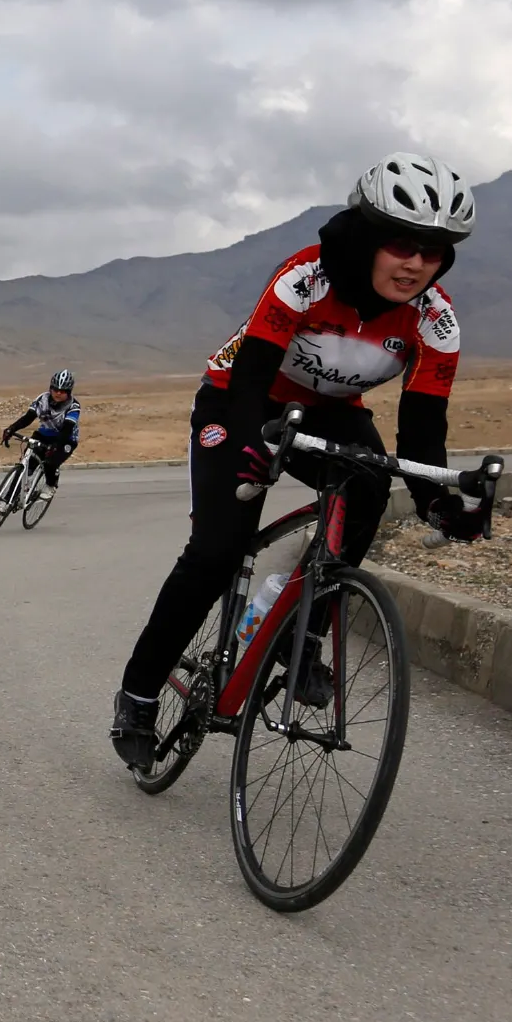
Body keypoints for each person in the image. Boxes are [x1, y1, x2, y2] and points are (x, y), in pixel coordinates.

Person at [109, 154, 483, 771]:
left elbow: (421, 431)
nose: (416, 263)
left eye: (435, 251)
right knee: (217, 551)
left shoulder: (436, 321)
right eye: (401, 244)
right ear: (366, 235)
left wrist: (437, 503)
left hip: (331, 409)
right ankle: (139, 693)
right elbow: (253, 374)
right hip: (244, 396)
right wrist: (255, 448)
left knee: (369, 488)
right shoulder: (304, 278)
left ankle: (301, 637)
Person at [2, 369, 81, 493]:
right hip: (44, 434)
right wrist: (11, 429)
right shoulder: (42, 399)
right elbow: (28, 418)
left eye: (63, 391)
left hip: (66, 439)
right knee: (26, 465)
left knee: (50, 463)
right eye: (55, 389)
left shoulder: (73, 406)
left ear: (69, 392)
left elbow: (67, 429)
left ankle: (50, 485)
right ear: (50, 388)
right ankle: (7, 499)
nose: (58, 393)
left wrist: (55, 447)